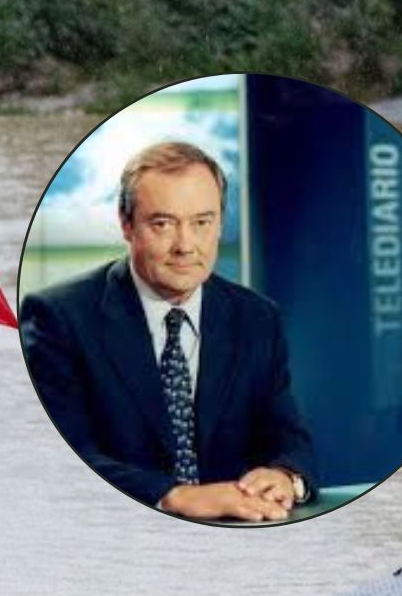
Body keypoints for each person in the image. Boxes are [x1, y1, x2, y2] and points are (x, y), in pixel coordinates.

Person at [19, 140, 316, 522]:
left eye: (202, 223)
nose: (185, 245)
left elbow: (291, 438)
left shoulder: (258, 318)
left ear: (220, 224)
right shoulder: (58, 317)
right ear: (127, 225)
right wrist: (171, 497)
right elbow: (65, 458)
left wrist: (286, 476)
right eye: (163, 224)